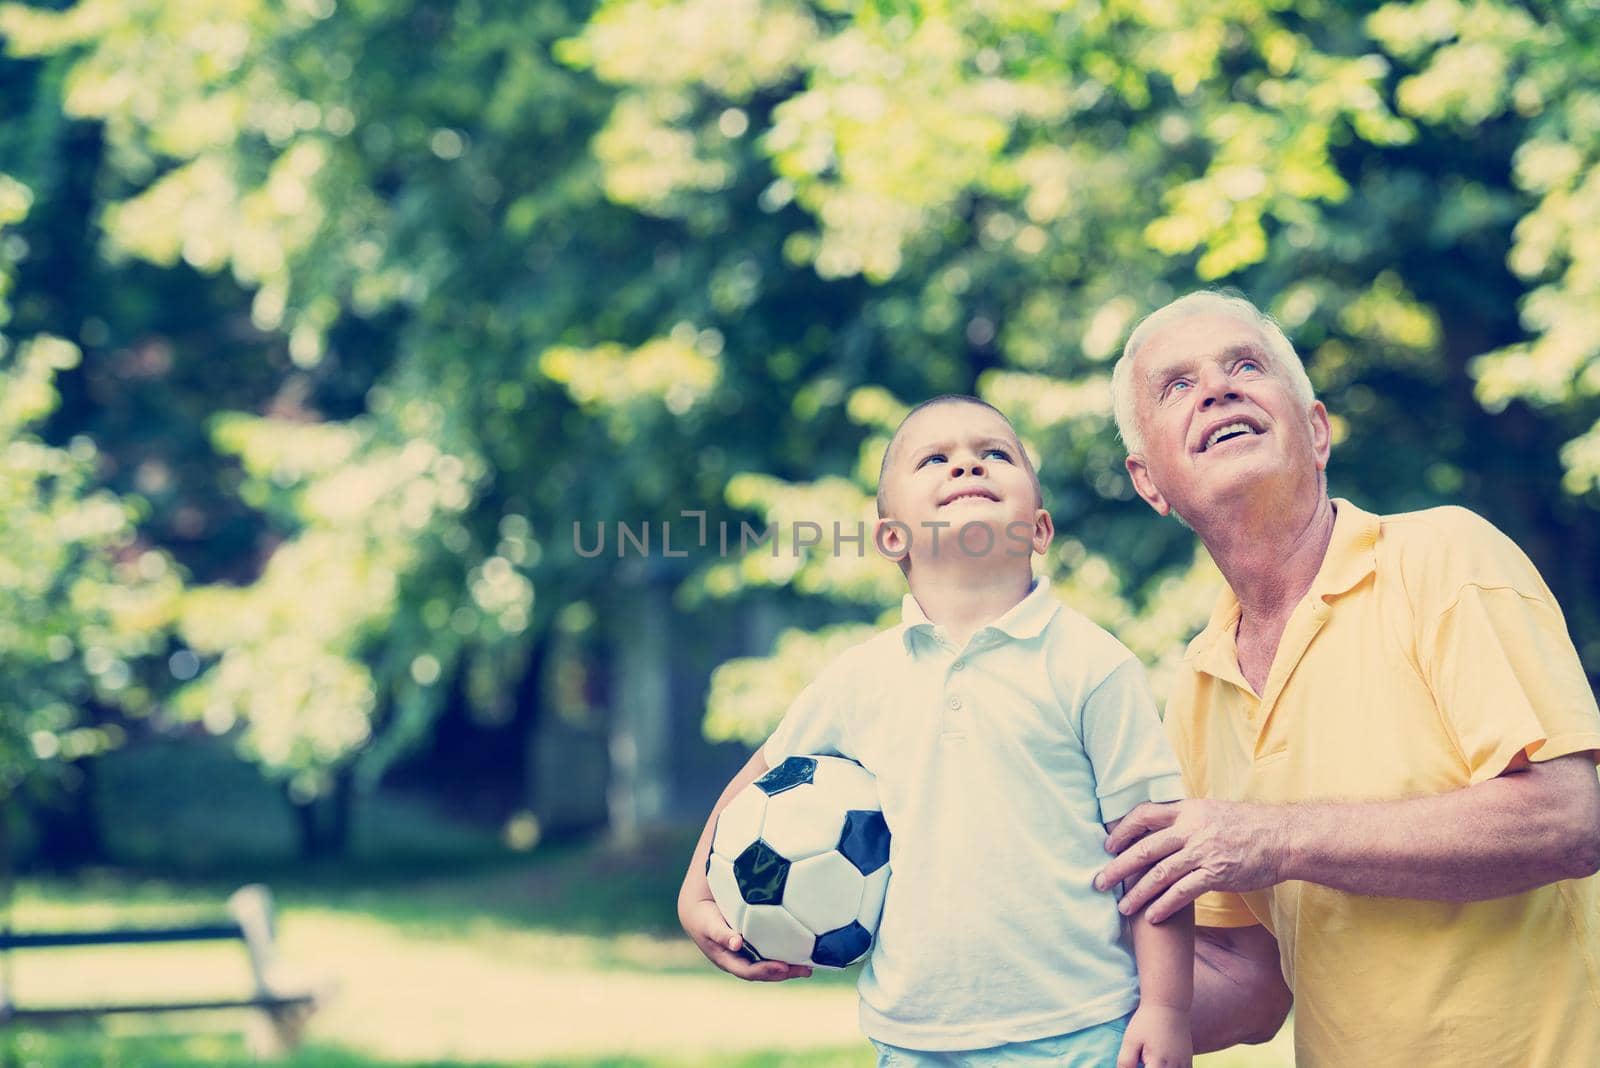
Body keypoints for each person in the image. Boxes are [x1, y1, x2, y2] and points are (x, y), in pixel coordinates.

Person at [1094, 289, 1600, 1066]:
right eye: (1177, 386)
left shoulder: (1445, 558)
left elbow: (1570, 818)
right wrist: (1025, 993)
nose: (1218, 389)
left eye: (1245, 366)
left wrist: (1275, 837)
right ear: (1149, 483)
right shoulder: (1196, 686)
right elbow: (1247, 980)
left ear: (1317, 431)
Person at [679, 395, 1194, 1067]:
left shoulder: (1093, 666)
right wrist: (694, 896)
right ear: (892, 537)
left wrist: (1166, 1008)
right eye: (935, 459)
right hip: (914, 1039)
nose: (966, 467)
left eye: (995, 455)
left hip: (1080, 1030)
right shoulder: (858, 679)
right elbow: (758, 781)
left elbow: (1155, 850)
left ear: (1039, 529)